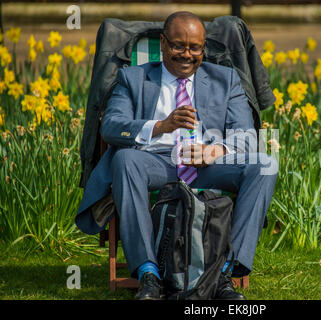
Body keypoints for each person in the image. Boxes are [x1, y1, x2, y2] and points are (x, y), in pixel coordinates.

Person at [76, 11, 278, 300]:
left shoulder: (227, 79)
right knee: (124, 160)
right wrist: (161, 126)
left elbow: (245, 135)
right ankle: (149, 275)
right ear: (162, 43)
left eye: (195, 47)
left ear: (203, 48)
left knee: (265, 165)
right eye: (178, 46)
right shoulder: (133, 77)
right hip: (155, 161)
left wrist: (214, 150)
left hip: (209, 163)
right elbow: (111, 126)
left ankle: (224, 274)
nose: (187, 54)